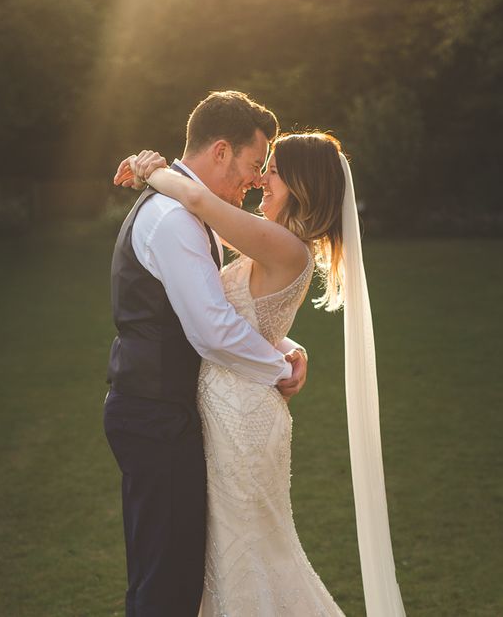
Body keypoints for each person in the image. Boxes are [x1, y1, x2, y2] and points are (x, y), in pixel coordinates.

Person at [117, 131, 407, 616]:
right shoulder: (278, 241)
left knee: (246, 552)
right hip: (234, 405)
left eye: (272, 171)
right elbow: (255, 315)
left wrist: (149, 169)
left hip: (241, 414)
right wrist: (289, 351)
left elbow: (193, 195)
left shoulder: (282, 244)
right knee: (236, 552)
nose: (261, 181)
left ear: (300, 184)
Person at [103, 91, 310, 617]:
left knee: (169, 573)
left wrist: (286, 344)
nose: (257, 178)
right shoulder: (174, 218)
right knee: (165, 585)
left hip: (165, 412)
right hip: (156, 414)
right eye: (252, 163)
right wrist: (276, 367)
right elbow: (212, 329)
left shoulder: (192, 213)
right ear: (220, 151)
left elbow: (222, 304)